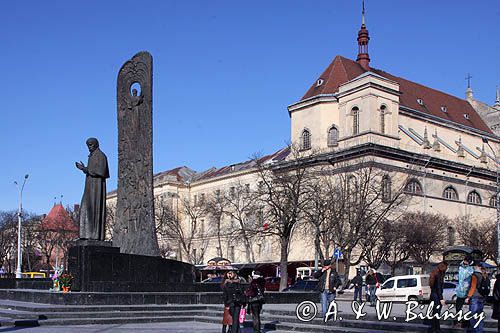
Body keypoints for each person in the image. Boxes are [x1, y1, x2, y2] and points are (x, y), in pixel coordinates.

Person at [75, 137, 109, 240]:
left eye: (91, 145)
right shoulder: (92, 156)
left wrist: (84, 169)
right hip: (89, 186)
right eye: (88, 145)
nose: (89, 147)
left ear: (96, 144)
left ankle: (94, 235)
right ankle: (85, 235)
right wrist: (85, 169)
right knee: (85, 208)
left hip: (96, 188)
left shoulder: (101, 156)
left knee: (93, 209)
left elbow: (101, 171)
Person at [465, 260, 486, 333]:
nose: (472, 267)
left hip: (475, 297)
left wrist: (468, 297)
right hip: (482, 297)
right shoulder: (484, 274)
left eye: (473, 266)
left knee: (473, 315)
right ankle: (480, 331)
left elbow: (473, 287)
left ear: (476, 266)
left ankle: (475, 331)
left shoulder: (475, 275)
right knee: (480, 316)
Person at [428, 261, 448, 333]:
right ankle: (436, 328)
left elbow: (433, 286)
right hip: (436, 296)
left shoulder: (435, 272)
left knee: (435, 312)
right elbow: (438, 288)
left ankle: (435, 328)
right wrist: (441, 298)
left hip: (433, 294)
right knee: (437, 313)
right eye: (446, 267)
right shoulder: (439, 274)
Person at [455, 255, 474, 328]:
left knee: (471, 309)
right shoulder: (460, 267)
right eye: (465, 261)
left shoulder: (471, 269)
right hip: (460, 291)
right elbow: (458, 278)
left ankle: (470, 323)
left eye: (467, 261)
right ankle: (459, 321)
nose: (465, 262)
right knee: (458, 308)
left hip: (467, 291)